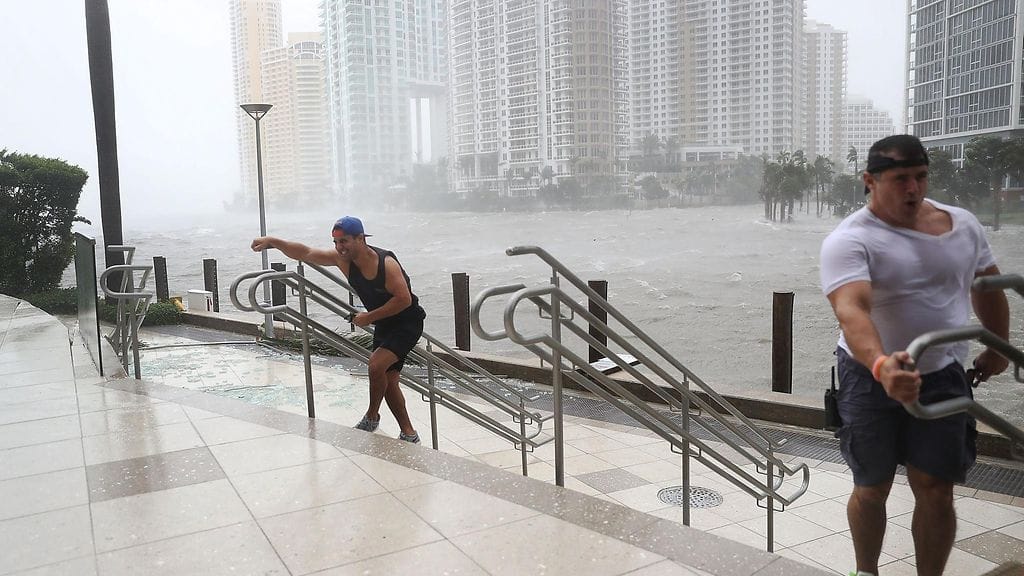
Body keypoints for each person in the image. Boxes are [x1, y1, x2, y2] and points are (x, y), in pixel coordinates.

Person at [820, 134, 1010, 576]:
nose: (913, 188)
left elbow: (988, 284)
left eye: (921, 177)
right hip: (869, 376)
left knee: (936, 488)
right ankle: (865, 571)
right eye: (900, 178)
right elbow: (852, 309)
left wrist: (998, 346)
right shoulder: (849, 239)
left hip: (942, 373)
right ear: (870, 181)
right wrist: (882, 365)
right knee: (872, 486)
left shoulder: (962, 224)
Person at [251, 216, 425, 444]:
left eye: (344, 241)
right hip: (384, 323)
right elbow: (305, 252)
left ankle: (372, 416)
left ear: (361, 238)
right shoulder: (342, 259)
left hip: (407, 323)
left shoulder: (386, 263)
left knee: (376, 366)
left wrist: (367, 317)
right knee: (389, 380)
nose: (339, 247)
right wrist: (273, 242)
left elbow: (403, 300)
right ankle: (409, 433)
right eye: (336, 242)